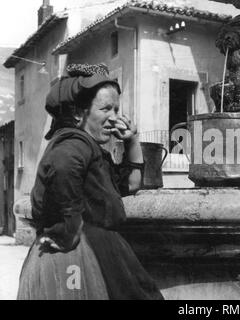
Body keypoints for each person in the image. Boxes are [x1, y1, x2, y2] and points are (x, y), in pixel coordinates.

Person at [17, 63, 164, 300]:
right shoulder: (74, 142)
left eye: (116, 109)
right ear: (78, 113)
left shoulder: (90, 147)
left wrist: (132, 141)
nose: (115, 119)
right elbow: (63, 167)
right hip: (75, 258)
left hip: (91, 252)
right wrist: (69, 230)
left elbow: (131, 185)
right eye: (106, 109)